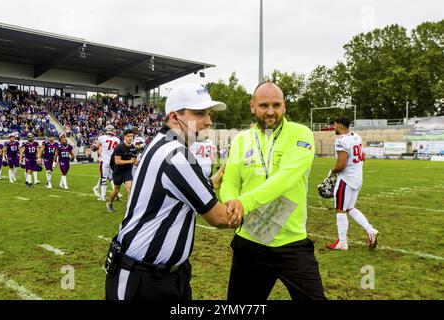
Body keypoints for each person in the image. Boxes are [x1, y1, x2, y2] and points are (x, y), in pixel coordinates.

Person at [105, 83, 243, 301]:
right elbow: (220, 218)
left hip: (161, 275)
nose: (208, 121)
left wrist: (213, 180)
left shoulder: (165, 143)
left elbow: (180, 189)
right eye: (198, 113)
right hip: (143, 279)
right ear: (173, 116)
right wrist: (253, 206)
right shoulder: (177, 155)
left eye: (207, 113)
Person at [220, 81, 326, 301]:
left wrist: (244, 203)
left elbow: (285, 178)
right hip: (250, 241)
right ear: (252, 106)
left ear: (284, 106)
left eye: (276, 105)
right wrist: (231, 203)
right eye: (264, 105)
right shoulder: (241, 140)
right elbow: (230, 181)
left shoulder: (301, 134)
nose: (270, 111)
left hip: (291, 243)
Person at [326, 117, 379, 250]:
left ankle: (342, 243)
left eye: (335, 125)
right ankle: (370, 230)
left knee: (340, 210)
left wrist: (332, 172)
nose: (334, 128)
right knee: (350, 208)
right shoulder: (356, 136)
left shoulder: (341, 140)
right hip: (357, 177)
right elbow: (363, 156)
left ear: (339, 126)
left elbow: (341, 165)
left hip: (346, 179)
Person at [106, 129, 137, 213]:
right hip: (118, 172)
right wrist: (129, 161)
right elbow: (117, 161)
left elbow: (134, 161)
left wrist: (140, 163)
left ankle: (129, 208)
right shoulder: (119, 147)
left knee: (130, 189)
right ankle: (109, 203)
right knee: (116, 191)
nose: (130, 138)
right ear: (124, 137)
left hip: (127, 171)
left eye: (132, 136)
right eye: (128, 136)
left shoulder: (133, 148)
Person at [92, 125, 120, 201]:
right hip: (113, 162)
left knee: (104, 178)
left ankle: (103, 196)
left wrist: (93, 147)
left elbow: (95, 148)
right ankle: (116, 193)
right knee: (112, 178)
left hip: (104, 161)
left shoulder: (102, 138)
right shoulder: (117, 140)